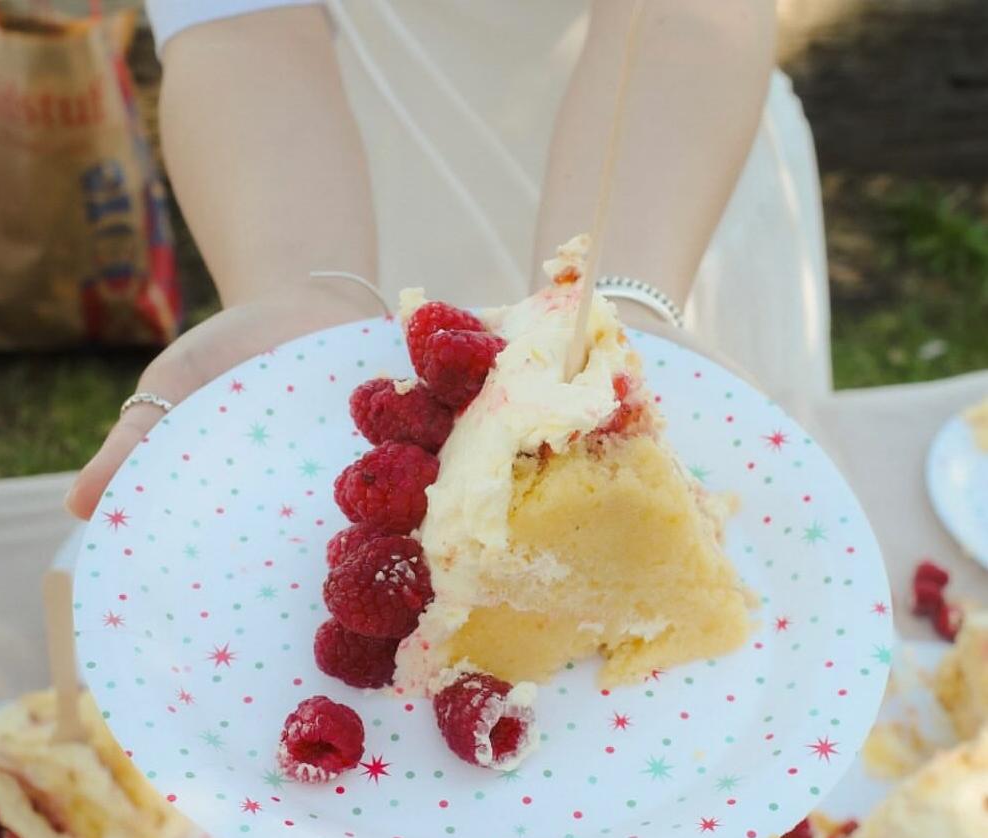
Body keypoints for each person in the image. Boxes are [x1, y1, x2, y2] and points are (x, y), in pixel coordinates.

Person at [66, 0, 828, 520]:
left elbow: (687, 20)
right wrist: (301, 288)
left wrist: (605, 312)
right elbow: (240, 26)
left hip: (656, 195)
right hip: (338, 195)